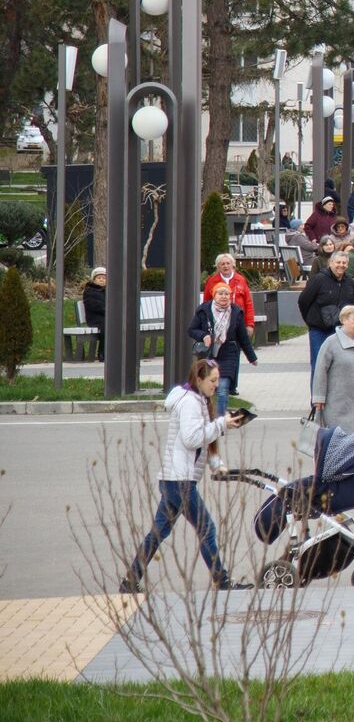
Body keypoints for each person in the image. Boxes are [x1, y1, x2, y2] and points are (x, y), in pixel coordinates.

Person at [119, 359, 253, 593]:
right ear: (199, 380)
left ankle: (130, 580)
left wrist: (216, 464)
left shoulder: (199, 400)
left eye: (217, 380)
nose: (216, 385)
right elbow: (192, 439)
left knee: (159, 532)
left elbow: (204, 441)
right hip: (180, 481)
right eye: (212, 380)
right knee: (206, 529)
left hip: (175, 479)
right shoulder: (190, 403)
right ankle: (221, 582)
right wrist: (221, 424)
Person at [188, 283, 257, 416]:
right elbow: (192, 330)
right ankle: (206, 416)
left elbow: (243, 337)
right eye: (220, 293)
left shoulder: (236, 312)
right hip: (208, 354)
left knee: (223, 388)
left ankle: (220, 421)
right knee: (206, 388)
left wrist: (252, 357)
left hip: (228, 353)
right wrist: (204, 336)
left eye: (227, 294)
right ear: (214, 295)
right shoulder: (204, 310)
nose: (224, 296)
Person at [298, 249, 354, 377]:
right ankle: (317, 397)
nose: (341, 265)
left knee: (339, 366)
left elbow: (353, 305)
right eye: (338, 262)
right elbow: (303, 301)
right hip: (319, 330)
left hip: (340, 330)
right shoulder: (319, 279)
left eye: (344, 263)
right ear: (331, 263)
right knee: (318, 366)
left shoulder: (349, 282)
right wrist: (311, 321)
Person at [311, 303, 354, 435]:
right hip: (337, 404)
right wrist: (319, 398)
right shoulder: (331, 342)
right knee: (338, 440)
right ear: (344, 320)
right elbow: (320, 370)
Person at [202, 253, 255, 338]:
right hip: (218, 324)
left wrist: (250, 324)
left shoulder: (241, 280)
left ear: (232, 265)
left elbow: (248, 303)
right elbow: (206, 304)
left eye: (228, 263)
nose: (225, 266)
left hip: (238, 321)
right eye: (222, 264)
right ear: (218, 266)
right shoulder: (212, 281)